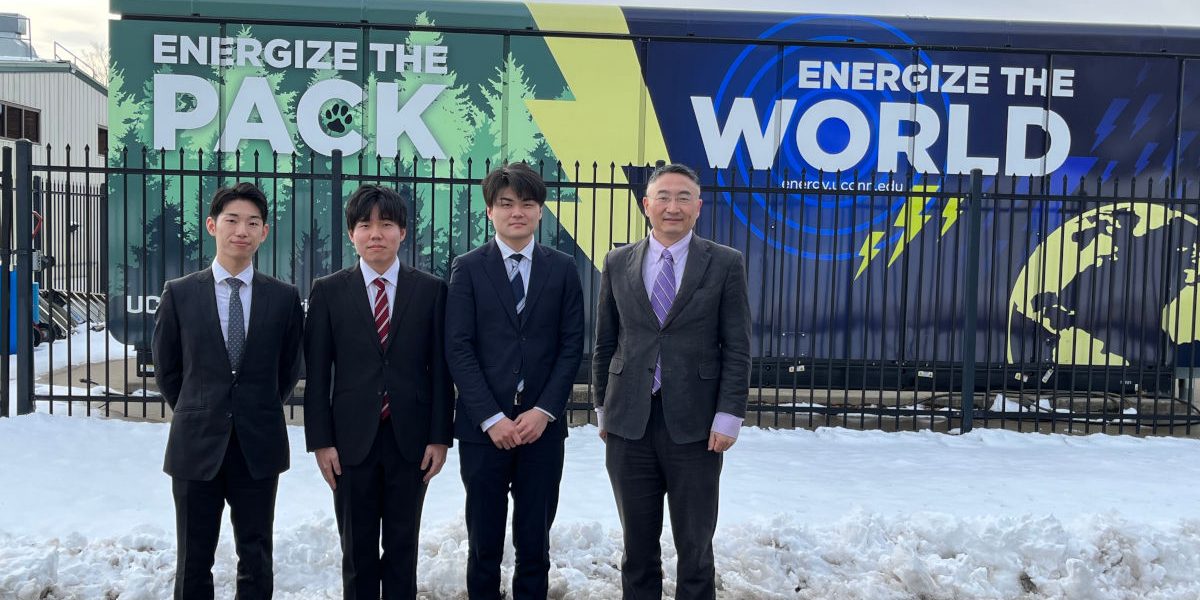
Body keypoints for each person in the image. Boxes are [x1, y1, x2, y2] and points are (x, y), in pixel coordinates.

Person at [591, 163, 751, 600]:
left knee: (695, 549)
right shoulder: (617, 261)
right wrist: (603, 407)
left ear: (698, 207)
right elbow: (606, 341)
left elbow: (737, 346)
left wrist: (729, 415)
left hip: (697, 427)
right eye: (663, 197)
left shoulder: (724, 263)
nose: (673, 206)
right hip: (628, 424)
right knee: (636, 550)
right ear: (647, 205)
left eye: (683, 197)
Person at [153, 182, 305, 599]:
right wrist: (201, 407)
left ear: (264, 232)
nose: (242, 230)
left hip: (258, 446)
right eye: (232, 220)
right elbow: (169, 370)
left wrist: (253, 407)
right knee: (193, 558)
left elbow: (287, 369)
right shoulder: (180, 294)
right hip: (196, 445)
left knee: (256, 554)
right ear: (211, 225)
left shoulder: (283, 298)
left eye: (252, 222)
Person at [303, 184, 454, 599]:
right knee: (357, 550)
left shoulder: (430, 290)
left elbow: (441, 370)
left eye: (386, 224)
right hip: (350, 444)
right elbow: (317, 375)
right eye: (365, 225)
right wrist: (321, 442)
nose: (376, 234)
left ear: (403, 232)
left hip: (412, 440)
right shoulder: (329, 291)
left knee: (404, 548)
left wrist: (440, 437)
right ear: (351, 233)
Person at [445, 163, 584, 599]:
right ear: (490, 211)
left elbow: (571, 346)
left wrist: (544, 411)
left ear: (540, 211)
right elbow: (459, 347)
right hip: (484, 430)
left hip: (542, 431)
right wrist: (491, 417)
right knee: (484, 542)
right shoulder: (467, 268)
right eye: (506, 204)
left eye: (527, 203)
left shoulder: (562, 269)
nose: (517, 212)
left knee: (534, 543)